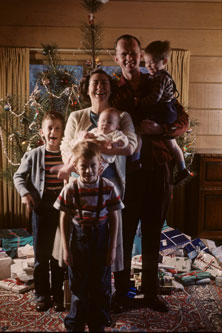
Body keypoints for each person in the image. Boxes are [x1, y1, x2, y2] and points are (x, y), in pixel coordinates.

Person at [112, 34, 189, 312]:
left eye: (134, 52)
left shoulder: (155, 82)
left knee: (153, 234)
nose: (130, 58)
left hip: (158, 170)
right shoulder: (113, 90)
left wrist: (162, 130)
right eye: (124, 53)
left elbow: (183, 120)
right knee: (124, 235)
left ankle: (150, 293)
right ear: (117, 58)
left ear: (139, 53)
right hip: (127, 174)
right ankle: (124, 293)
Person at [54, 68, 137, 279]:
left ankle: (112, 293)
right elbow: (66, 147)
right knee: (76, 235)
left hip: (109, 185)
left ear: (110, 88)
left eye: (104, 83)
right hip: (79, 182)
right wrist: (76, 164)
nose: (99, 87)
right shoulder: (76, 116)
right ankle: (76, 290)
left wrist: (104, 149)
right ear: (88, 89)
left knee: (110, 240)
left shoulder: (121, 116)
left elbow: (131, 146)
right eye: (95, 83)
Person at [54, 140, 124, 332]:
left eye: (92, 166)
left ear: (99, 164)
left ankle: (98, 322)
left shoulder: (108, 187)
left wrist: (112, 249)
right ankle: (76, 323)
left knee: (100, 284)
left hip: (101, 240)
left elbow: (115, 218)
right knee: (78, 283)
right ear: (75, 166)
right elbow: (64, 218)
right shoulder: (70, 189)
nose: (88, 171)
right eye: (83, 166)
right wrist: (66, 250)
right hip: (78, 240)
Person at [13, 111, 66, 312]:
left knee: (58, 254)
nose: (53, 131)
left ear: (62, 132)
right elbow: (19, 176)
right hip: (41, 208)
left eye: (57, 128)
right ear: (42, 132)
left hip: (62, 208)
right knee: (41, 254)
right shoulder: (34, 154)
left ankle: (58, 293)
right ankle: (43, 294)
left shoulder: (67, 153)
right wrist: (25, 193)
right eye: (49, 128)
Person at [131, 40, 191, 185]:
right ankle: (183, 169)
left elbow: (154, 99)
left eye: (151, 63)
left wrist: (140, 102)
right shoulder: (158, 77)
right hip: (166, 111)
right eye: (146, 63)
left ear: (164, 61)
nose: (148, 66)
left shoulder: (159, 78)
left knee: (140, 130)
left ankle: (135, 159)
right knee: (172, 144)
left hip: (163, 111)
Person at [62, 107, 129, 174]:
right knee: (77, 154)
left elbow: (124, 140)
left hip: (102, 158)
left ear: (117, 127)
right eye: (103, 121)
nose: (105, 124)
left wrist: (116, 144)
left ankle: (68, 170)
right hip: (87, 153)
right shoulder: (95, 130)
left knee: (96, 169)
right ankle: (68, 167)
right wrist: (86, 134)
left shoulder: (115, 133)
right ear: (98, 123)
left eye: (109, 122)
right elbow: (90, 135)